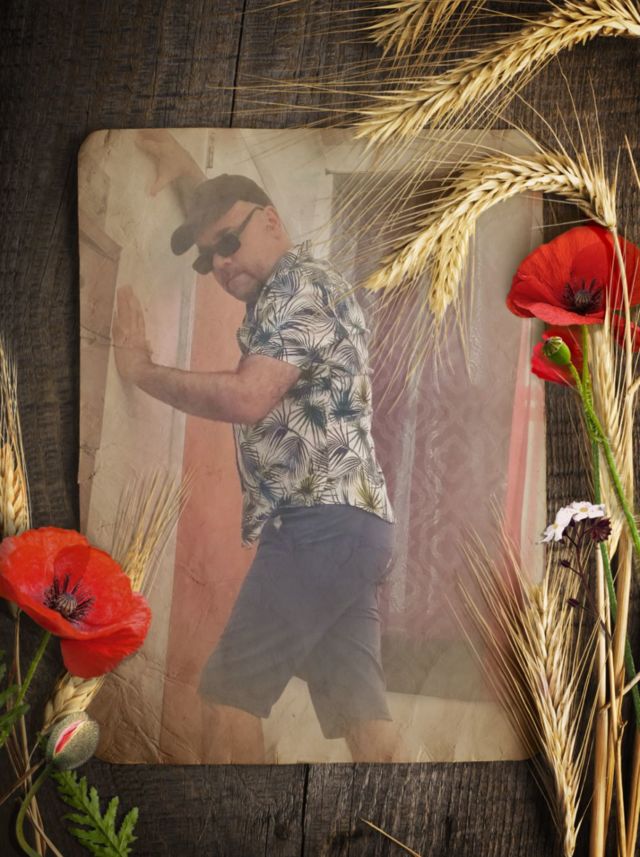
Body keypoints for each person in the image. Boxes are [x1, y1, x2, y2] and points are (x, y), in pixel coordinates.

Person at [112, 130, 401, 761]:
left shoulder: (298, 287)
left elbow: (247, 398)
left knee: (227, 700)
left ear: (272, 222)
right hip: (355, 529)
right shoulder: (293, 284)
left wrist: (141, 372)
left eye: (229, 244)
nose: (219, 264)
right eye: (207, 257)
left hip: (319, 526)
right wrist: (190, 176)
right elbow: (229, 221)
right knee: (364, 722)